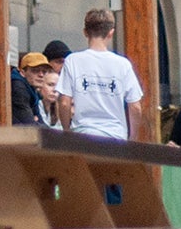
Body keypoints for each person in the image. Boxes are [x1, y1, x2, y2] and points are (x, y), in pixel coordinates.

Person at [53, 9, 144, 140]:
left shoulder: (73, 61)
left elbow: (64, 103)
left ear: (85, 32)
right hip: (115, 136)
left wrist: (67, 131)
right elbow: (135, 107)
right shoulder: (123, 65)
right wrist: (133, 137)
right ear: (111, 33)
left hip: (83, 135)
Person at [9, 51, 52, 127]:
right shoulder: (18, 89)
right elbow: (30, 125)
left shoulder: (32, 89)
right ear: (23, 72)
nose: (41, 75)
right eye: (35, 70)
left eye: (44, 71)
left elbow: (38, 119)